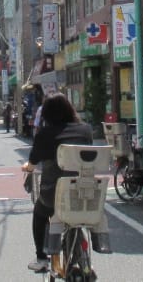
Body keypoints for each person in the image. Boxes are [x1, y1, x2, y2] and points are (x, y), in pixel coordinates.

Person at [21, 93, 95, 272]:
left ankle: (41, 258)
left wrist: (27, 168)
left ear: (46, 114)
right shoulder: (85, 131)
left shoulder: (45, 135)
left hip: (53, 195)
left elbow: (32, 162)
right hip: (85, 193)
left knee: (39, 213)